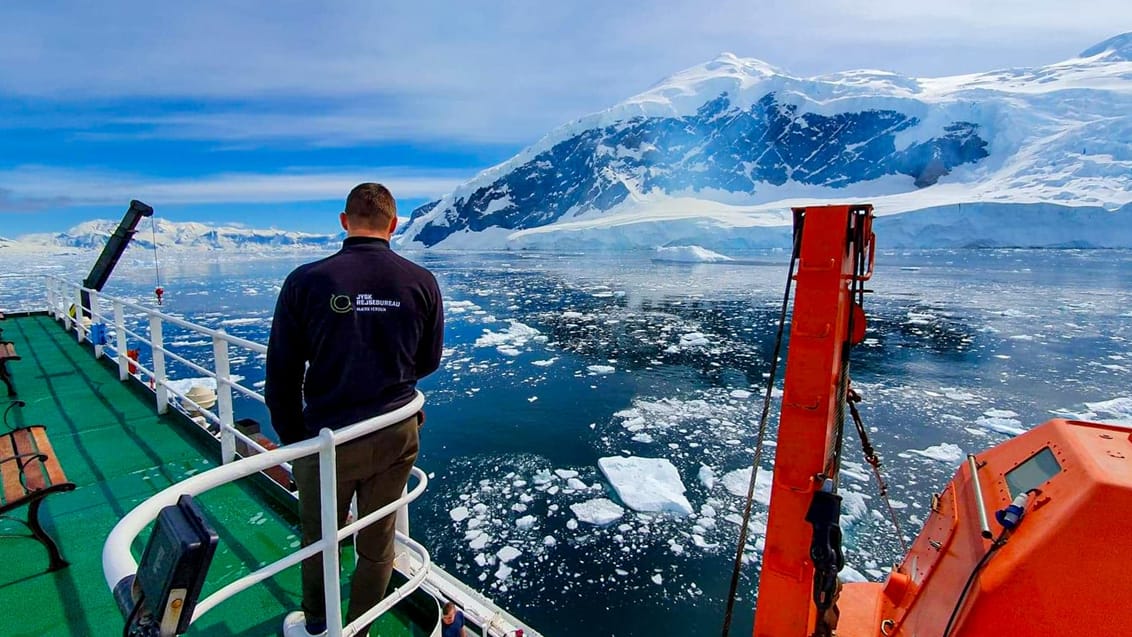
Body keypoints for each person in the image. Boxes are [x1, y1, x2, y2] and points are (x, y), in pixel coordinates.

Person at [266, 182, 444, 636]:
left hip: (327, 438)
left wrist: (296, 442)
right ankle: (360, 627)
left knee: (320, 540)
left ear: (345, 222)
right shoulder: (421, 282)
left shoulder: (306, 281)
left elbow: (282, 373)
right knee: (378, 541)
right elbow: (427, 362)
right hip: (396, 432)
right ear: (394, 224)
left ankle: (321, 625)